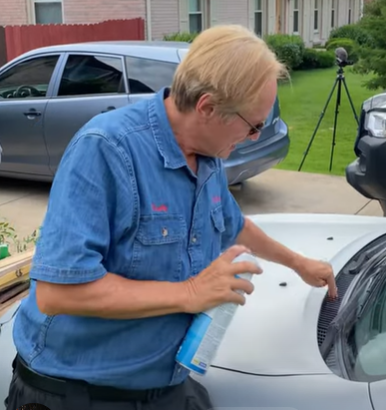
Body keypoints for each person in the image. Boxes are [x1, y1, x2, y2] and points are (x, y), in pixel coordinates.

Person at [5, 24, 337, 410]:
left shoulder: (208, 156)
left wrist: (298, 263)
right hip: (81, 394)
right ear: (207, 107)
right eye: (254, 126)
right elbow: (55, 292)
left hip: (165, 386)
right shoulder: (107, 150)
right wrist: (191, 293)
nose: (254, 137)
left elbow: (232, 223)